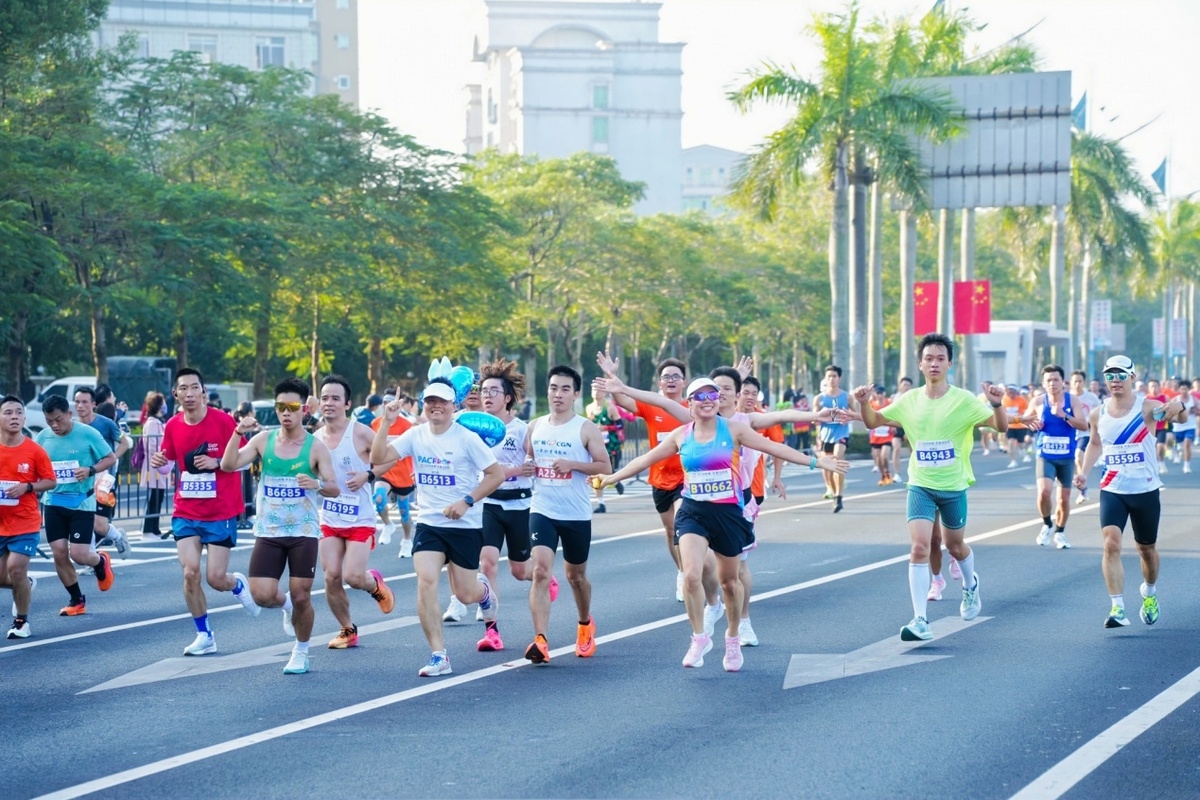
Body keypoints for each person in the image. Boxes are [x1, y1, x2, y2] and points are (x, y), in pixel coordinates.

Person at [599, 377, 849, 671]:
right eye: (699, 396)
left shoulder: (733, 429)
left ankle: (732, 637)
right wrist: (610, 478)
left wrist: (818, 463)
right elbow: (644, 460)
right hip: (693, 511)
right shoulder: (681, 435)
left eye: (712, 395)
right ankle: (699, 637)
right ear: (689, 404)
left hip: (728, 513)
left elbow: (774, 448)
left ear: (718, 402)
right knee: (691, 575)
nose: (707, 400)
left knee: (730, 582)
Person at [854, 333, 1009, 642]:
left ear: (949, 364)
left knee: (954, 546)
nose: (934, 363)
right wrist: (863, 403)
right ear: (920, 364)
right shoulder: (909, 400)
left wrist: (996, 403)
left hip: (953, 487)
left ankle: (970, 586)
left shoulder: (964, 399)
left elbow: (1001, 426)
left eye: (940, 358)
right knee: (919, 547)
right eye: (929, 358)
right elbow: (873, 422)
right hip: (921, 486)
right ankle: (920, 619)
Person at [370, 378, 505, 677]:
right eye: (430, 401)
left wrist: (466, 501)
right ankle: (438, 655)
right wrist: (386, 422)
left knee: (466, 593)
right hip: (430, 523)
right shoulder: (415, 435)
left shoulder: (467, 438)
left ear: (453, 405)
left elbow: (496, 474)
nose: (436, 406)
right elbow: (378, 458)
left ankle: (484, 593)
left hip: (465, 525)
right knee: (426, 582)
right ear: (424, 404)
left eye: (442, 401)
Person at [221, 378, 340, 675]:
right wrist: (237, 432)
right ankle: (286, 607)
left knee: (302, 594)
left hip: (303, 532)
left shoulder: (316, 447)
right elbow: (228, 465)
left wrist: (317, 484)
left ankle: (301, 651)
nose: (286, 413)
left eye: (292, 407)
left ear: (304, 409)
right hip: (270, 532)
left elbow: (335, 488)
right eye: (280, 407)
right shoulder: (264, 441)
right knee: (261, 594)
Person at [151, 368, 260, 655]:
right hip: (185, 509)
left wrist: (218, 463)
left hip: (220, 510)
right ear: (176, 394)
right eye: (183, 388)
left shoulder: (223, 422)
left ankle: (236, 584)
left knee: (215, 578)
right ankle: (205, 635)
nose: (188, 393)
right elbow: (166, 463)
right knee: (190, 573)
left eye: (194, 388)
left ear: (203, 392)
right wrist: (159, 461)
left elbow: (246, 462)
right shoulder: (173, 425)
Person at [1074, 356, 1186, 629]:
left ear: (1132, 377)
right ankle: (1117, 608)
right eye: (1110, 375)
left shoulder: (1148, 408)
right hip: (1112, 489)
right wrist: (1084, 473)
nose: (1115, 380)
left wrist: (1179, 405)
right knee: (1110, 544)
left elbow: (1181, 418)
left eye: (1120, 375)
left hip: (1145, 489)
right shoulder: (1097, 414)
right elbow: (1095, 444)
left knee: (1146, 550)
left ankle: (1149, 592)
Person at [522, 366, 611, 665]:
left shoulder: (585, 428)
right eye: (553, 388)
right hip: (542, 508)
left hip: (575, 513)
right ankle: (540, 640)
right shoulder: (534, 427)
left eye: (564, 389)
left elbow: (604, 466)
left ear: (575, 394)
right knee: (540, 571)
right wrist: (527, 467)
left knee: (576, 576)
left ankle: (585, 624)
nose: (557, 394)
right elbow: (528, 457)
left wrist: (574, 464)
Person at [469, 358, 550, 651]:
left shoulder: (521, 429)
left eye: (493, 391)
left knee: (519, 571)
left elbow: (533, 462)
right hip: (488, 503)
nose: (487, 395)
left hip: (519, 506)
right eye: (484, 390)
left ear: (507, 398)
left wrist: (524, 467)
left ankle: (543, 577)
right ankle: (492, 631)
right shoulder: (473, 429)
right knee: (487, 563)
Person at [597, 353, 690, 602]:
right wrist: (611, 375)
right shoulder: (651, 406)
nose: (671, 380)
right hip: (659, 478)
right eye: (666, 377)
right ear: (659, 383)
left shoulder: (691, 408)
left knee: (682, 525)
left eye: (676, 376)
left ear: (684, 382)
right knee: (670, 531)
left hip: (686, 478)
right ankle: (682, 572)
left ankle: (691, 575)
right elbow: (623, 399)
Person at [313, 375, 396, 651]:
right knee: (330, 576)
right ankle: (347, 629)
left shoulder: (359, 432)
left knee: (353, 576)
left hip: (359, 517)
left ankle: (374, 584)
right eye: (324, 398)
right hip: (330, 518)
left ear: (347, 403)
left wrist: (368, 475)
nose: (329, 403)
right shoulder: (314, 439)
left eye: (335, 398)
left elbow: (391, 457)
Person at [35, 395, 118, 616]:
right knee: (59, 553)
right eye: (49, 420)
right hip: (53, 502)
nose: (54, 425)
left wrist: (90, 470)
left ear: (69, 415)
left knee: (80, 555)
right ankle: (76, 600)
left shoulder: (88, 433)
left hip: (81, 502)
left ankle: (100, 561)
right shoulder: (43, 438)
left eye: (59, 419)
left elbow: (110, 458)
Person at [0, 396, 57, 639]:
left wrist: (27, 488)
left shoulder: (35, 451)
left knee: (15, 568)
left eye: (18, 412)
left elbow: (51, 481)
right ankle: (24, 584)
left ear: (24, 417)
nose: (14, 416)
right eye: (8, 412)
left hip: (25, 522)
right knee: (11, 577)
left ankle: (21, 622)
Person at [1020, 365, 1088, 550]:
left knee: (1063, 500)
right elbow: (1026, 421)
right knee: (1044, 491)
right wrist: (1033, 425)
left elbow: (1083, 425)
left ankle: (1060, 532)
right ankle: (1047, 524)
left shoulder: (1072, 400)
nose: (1052, 383)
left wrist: (1064, 415)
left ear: (1063, 382)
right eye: (1048, 380)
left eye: (1056, 379)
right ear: (1043, 383)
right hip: (1045, 455)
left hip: (1066, 457)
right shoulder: (1037, 401)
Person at [74, 388, 130, 557]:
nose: (80, 405)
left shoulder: (106, 423)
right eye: (77, 402)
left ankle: (118, 536)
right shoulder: (73, 427)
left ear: (94, 404)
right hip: (82, 479)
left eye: (84, 402)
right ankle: (92, 556)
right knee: (86, 520)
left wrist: (110, 459)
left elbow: (125, 443)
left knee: (99, 524)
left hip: (104, 479)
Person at [814, 365, 855, 512]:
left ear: (840, 378)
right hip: (826, 436)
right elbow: (814, 419)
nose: (832, 379)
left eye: (834, 376)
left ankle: (839, 496)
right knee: (827, 465)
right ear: (825, 379)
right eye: (829, 376)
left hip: (841, 434)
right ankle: (832, 489)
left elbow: (854, 414)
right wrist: (819, 421)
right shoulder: (819, 399)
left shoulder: (847, 397)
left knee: (837, 459)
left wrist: (847, 417)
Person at [584, 384, 628, 513]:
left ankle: (615, 480)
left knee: (609, 470)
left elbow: (620, 425)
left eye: (599, 390)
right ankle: (601, 502)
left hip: (611, 444)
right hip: (596, 445)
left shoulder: (610, 408)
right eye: (593, 390)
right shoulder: (589, 408)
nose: (596, 392)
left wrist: (606, 428)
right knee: (596, 472)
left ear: (604, 393)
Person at [139, 392, 170, 539]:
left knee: (159, 497)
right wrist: (163, 455)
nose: (165, 405)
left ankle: (155, 528)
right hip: (154, 465)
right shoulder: (151, 423)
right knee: (154, 498)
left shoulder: (158, 422)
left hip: (160, 465)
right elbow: (152, 445)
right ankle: (148, 529)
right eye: (162, 402)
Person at [1070, 370, 1103, 503]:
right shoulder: (1067, 397)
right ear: (1071, 383)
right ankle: (1078, 481)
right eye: (1075, 381)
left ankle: (1083, 489)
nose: (1077, 384)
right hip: (1069, 433)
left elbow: (1100, 414)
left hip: (1085, 432)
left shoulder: (1091, 398)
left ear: (1084, 382)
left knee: (1079, 456)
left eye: (1080, 381)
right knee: (1072, 462)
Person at [868, 385, 896, 485]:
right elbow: (866, 414)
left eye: (881, 393)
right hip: (876, 436)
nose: (879, 395)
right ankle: (883, 475)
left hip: (887, 435)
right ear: (875, 394)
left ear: (884, 393)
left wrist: (893, 425)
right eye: (877, 393)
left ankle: (887, 472)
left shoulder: (889, 403)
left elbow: (894, 414)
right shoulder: (871, 404)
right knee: (878, 458)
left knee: (884, 455)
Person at [1145, 380, 1170, 474]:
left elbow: (1170, 410)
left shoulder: (1165, 398)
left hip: (1161, 427)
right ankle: (1153, 466)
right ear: (1148, 388)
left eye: (1155, 386)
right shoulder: (1145, 399)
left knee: (1160, 447)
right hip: (1149, 428)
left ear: (1159, 387)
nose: (1153, 388)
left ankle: (1161, 463)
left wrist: (1166, 416)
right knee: (1150, 449)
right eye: (1151, 386)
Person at [1174, 382, 1196, 473]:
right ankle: (1177, 450)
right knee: (1176, 444)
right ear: (1179, 390)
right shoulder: (1175, 400)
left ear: (1189, 389)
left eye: (1186, 389)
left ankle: (1186, 466)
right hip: (1178, 427)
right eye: (1182, 389)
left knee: (1187, 443)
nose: (1184, 391)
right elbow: (1169, 412)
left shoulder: (1193, 399)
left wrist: (1195, 410)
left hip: (1190, 426)